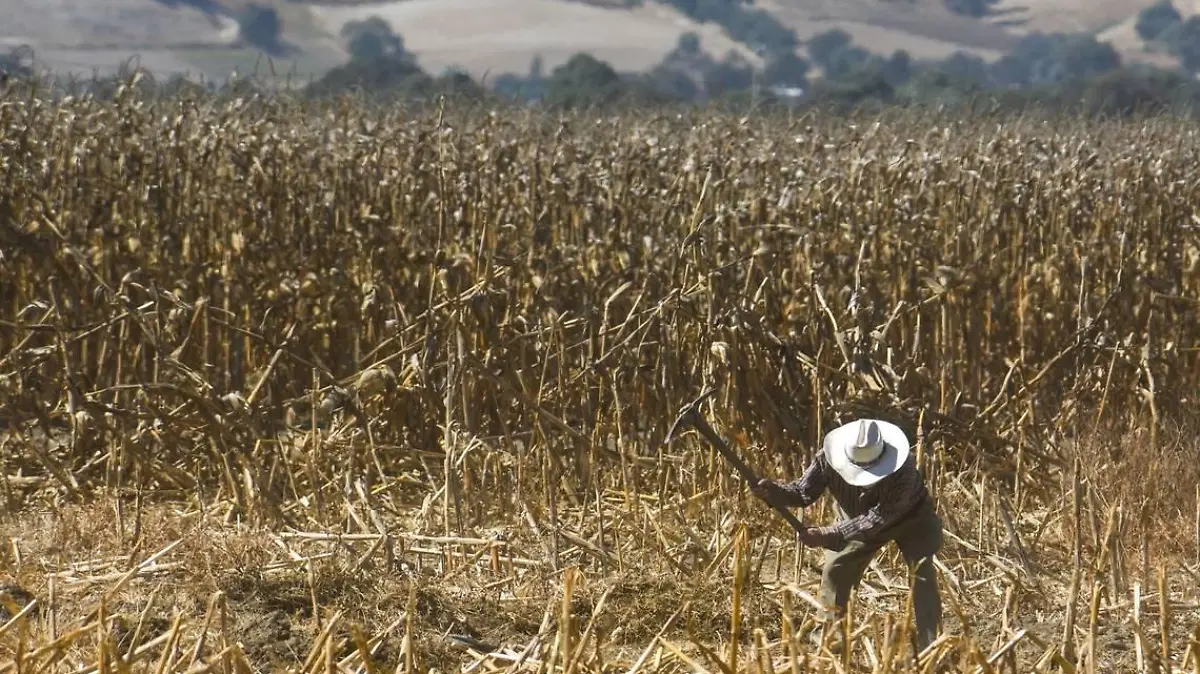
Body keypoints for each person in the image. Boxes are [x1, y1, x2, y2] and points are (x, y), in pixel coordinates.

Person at [752, 418, 943, 654]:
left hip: (910, 517)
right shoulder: (827, 459)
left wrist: (826, 535)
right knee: (836, 571)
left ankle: (931, 645)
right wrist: (775, 493)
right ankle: (829, 639)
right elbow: (803, 492)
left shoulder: (903, 470)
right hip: (856, 516)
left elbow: (878, 519)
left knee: (922, 575)